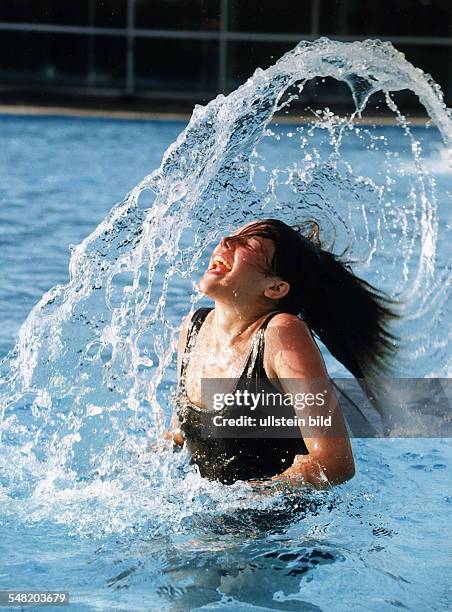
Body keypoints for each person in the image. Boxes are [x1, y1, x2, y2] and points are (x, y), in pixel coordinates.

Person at [169, 219, 398, 488]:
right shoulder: (194, 329)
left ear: (276, 287)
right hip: (210, 515)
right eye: (233, 234)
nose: (226, 242)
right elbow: (181, 434)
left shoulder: (282, 334)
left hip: (277, 524)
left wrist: (257, 495)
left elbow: (335, 462)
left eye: (250, 245)